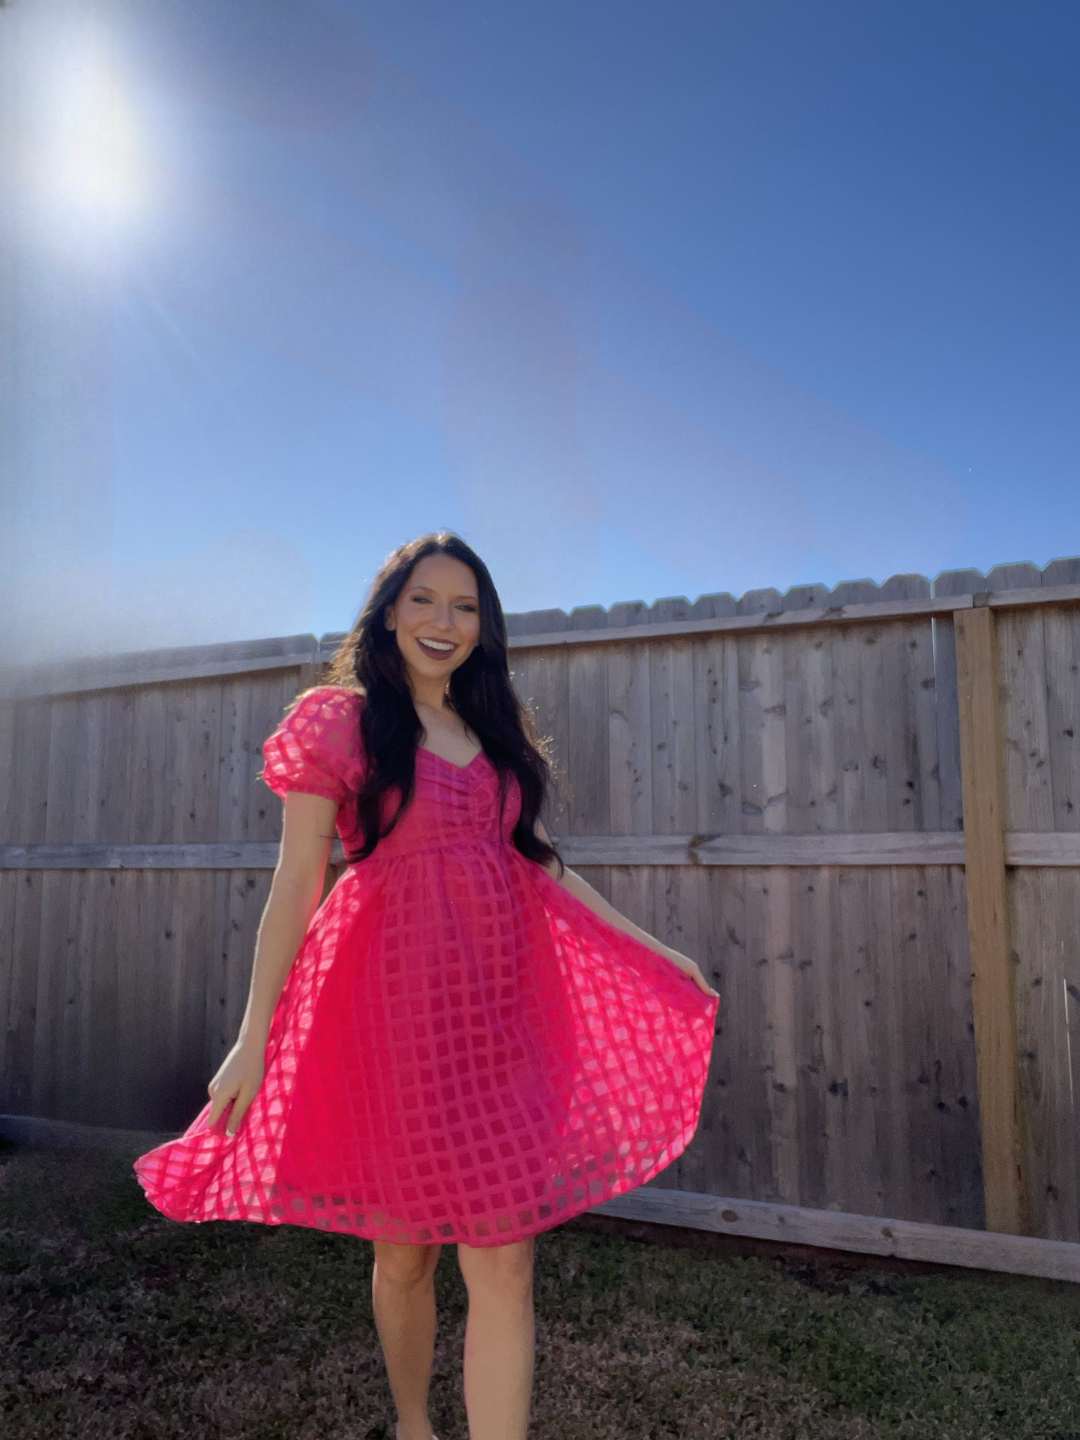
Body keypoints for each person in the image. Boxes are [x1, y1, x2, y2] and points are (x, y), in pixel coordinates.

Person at [134, 532, 719, 1440]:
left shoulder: (494, 732)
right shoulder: (341, 721)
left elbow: (542, 867)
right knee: (405, 1254)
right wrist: (254, 1037)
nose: (444, 621)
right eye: (424, 600)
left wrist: (649, 946)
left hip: (508, 1016)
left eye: (465, 606)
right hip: (393, 1016)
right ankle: (414, 1423)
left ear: (484, 628)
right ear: (389, 611)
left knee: (505, 1265)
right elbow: (298, 885)